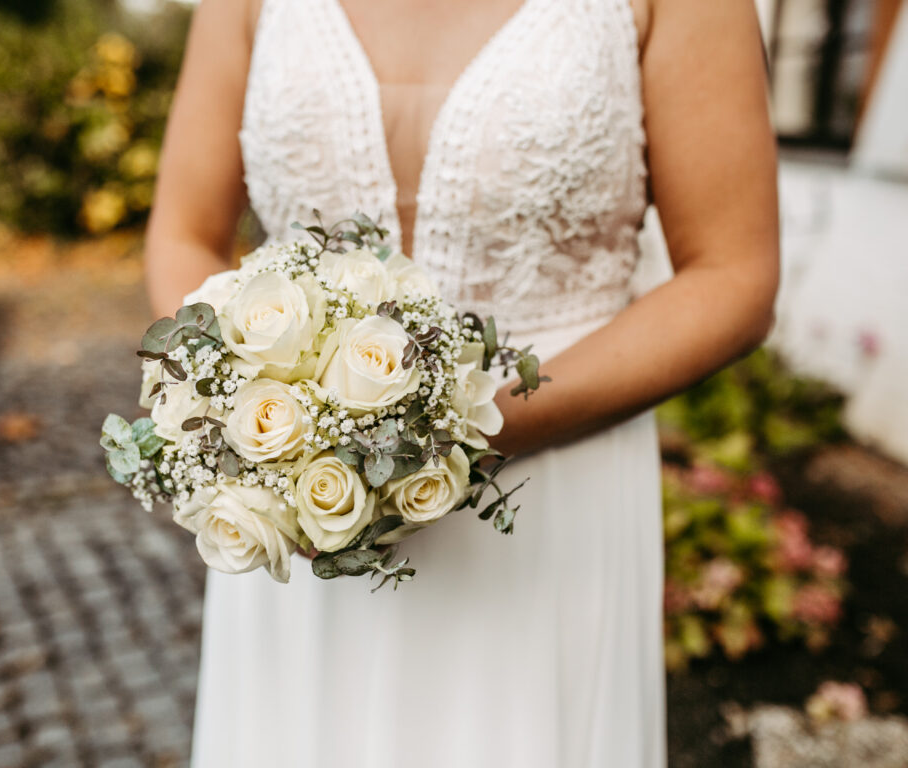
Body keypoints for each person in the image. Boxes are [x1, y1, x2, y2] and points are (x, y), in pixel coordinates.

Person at [143, 0, 779, 765]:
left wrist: (451, 435)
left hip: (551, 496)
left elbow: (734, 275)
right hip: (300, 503)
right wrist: (247, 404)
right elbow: (184, 233)